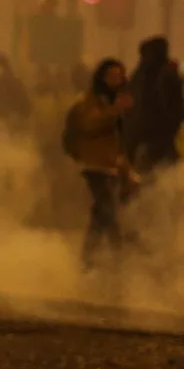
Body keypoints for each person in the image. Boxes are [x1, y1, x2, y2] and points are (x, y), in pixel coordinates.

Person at [63, 59, 136, 271]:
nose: (117, 80)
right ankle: (120, 262)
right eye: (113, 75)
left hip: (112, 166)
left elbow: (119, 141)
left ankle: (86, 262)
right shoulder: (92, 100)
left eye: (120, 75)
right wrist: (114, 111)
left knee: (100, 217)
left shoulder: (119, 102)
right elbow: (89, 124)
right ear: (102, 78)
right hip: (94, 165)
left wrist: (127, 170)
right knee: (109, 213)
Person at [123, 36, 184, 175]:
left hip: (139, 139)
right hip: (159, 139)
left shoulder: (139, 75)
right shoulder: (166, 73)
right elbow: (173, 106)